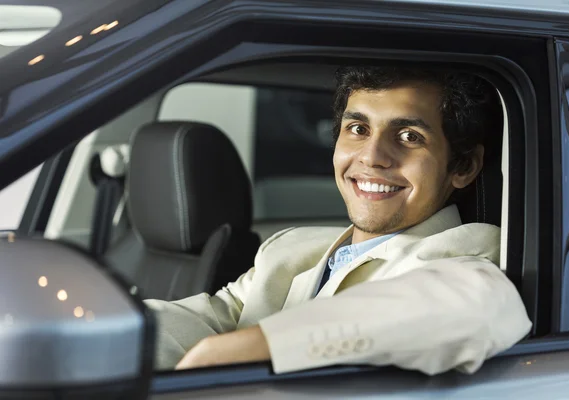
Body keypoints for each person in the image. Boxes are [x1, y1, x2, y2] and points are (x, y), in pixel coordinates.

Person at [145, 66, 532, 375]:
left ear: (463, 167)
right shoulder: (289, 250)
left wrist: (253, 348)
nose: (372, 156)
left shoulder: (474, 250)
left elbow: (473, 306)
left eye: (410, 136)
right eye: (358, 129)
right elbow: (209, 320)